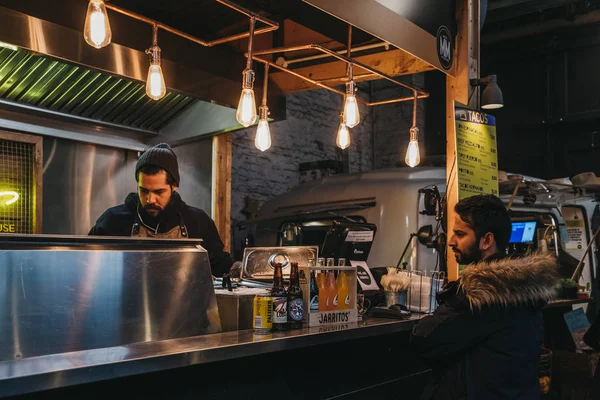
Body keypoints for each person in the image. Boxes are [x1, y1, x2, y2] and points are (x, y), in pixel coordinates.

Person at [410, 194, 559, 400]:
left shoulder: (484, 292)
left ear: (487, 240)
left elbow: (423, 338)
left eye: (460, 234)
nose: (451, 241)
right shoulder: (522, 285)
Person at [89, 143, 240, 277]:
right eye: (143, 191)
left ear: (174, 186)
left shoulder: (197, 221)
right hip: (128, 307)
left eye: (159, 192)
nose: (150, 200)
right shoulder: (113, 220)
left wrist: (240, 269)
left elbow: (219, 264)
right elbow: (87, 264)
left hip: (184, 308)